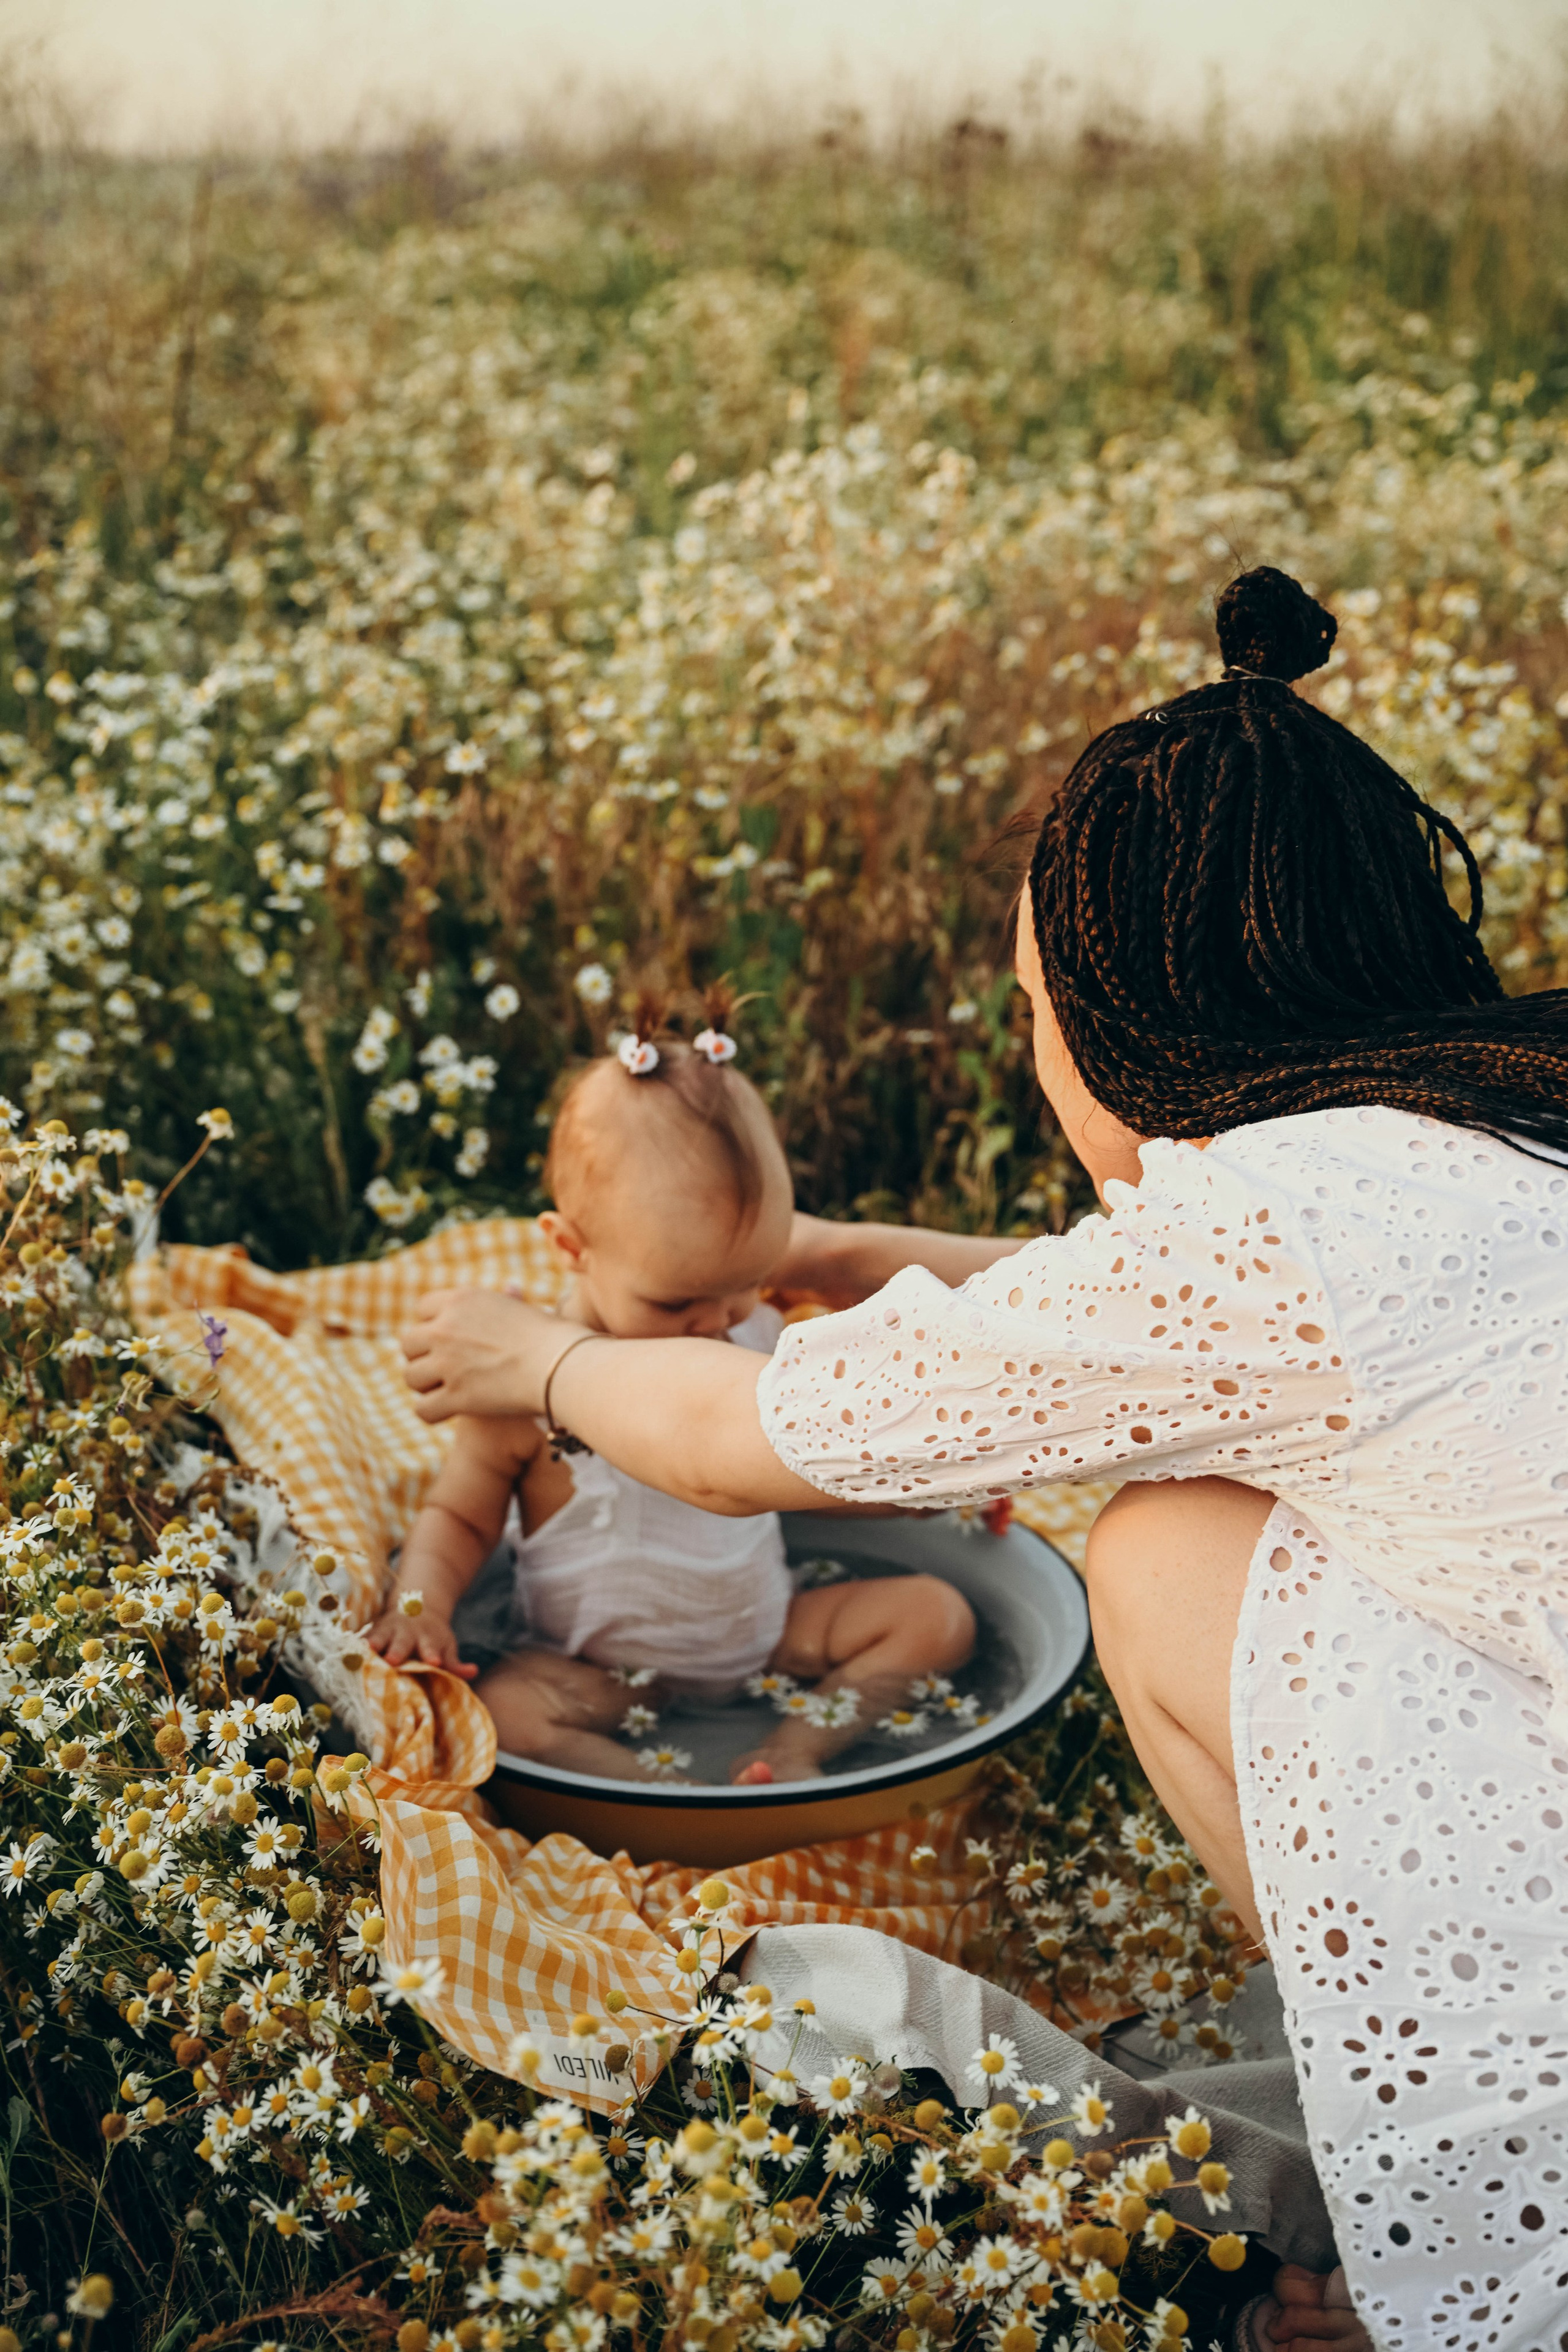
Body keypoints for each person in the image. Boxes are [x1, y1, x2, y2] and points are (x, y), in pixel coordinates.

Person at [399, 568, 1568, 2350]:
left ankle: (1456, 2218)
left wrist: (539, 1357)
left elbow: (730, 1445)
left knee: (1159, 1556)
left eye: (1034, 1007)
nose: (1034, 1052)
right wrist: (874, 1256)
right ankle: (1386, 2084)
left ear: (1131, 1012)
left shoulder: (1273, 1225)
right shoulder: (1456, 1124)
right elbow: (1194, 1333)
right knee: (1178, 1538)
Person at [368, 1017, 973, 1784]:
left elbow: (805, 1477)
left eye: (744, 1284)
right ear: (570, 1249)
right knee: (506, 1718)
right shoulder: (519, 1394)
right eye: (678, 1301)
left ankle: (796, 1748)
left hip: (766, 1631)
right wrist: (421, 1603)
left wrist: (926, 1494)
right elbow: (457, 1516)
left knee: (937, 1616)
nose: (715, 1324)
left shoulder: (755, 1333)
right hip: (598, 1671)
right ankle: (661, 1788)